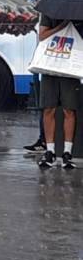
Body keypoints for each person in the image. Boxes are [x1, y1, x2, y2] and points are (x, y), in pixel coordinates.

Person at [37, 13, 81, 169]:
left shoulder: (79, 15)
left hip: (70, 68)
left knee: (70, 109)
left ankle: (67, 152)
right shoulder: (50, 13)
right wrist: (61, 26)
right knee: (49, 108)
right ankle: (50, 151)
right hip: (50, 66)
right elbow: (42, 36)